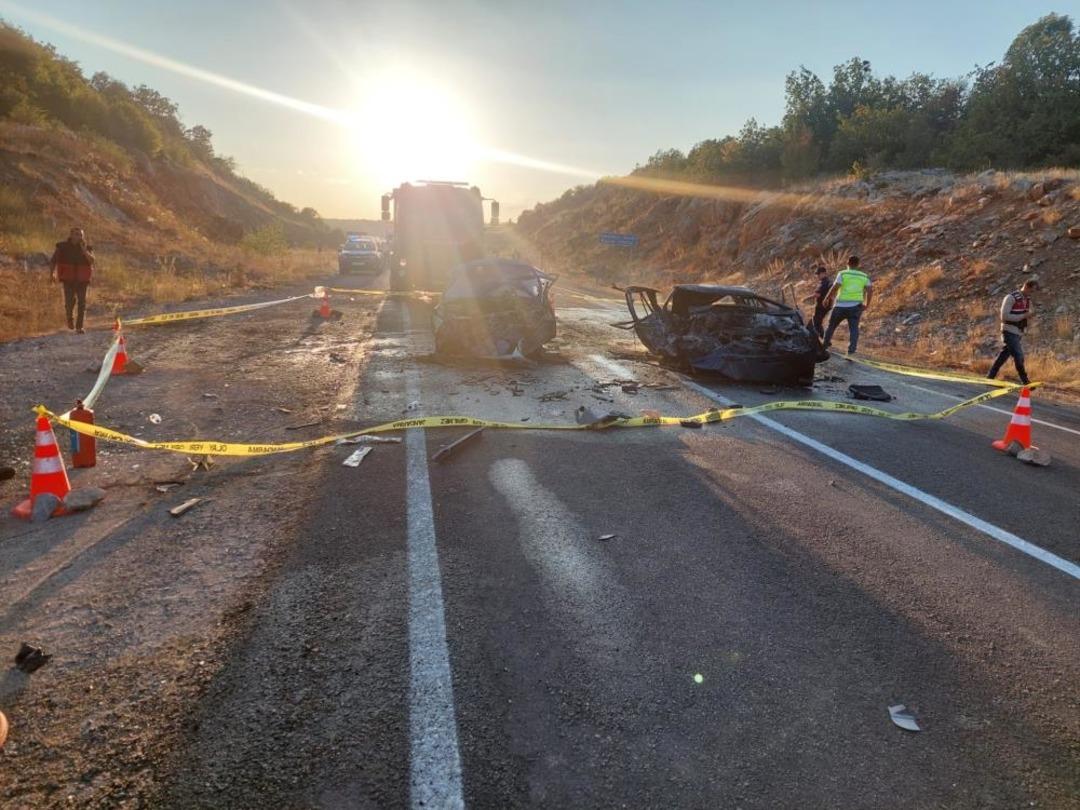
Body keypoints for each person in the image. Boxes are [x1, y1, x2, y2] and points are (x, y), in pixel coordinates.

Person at [987, 277, 1039, 385]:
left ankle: (990, 376)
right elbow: (1004, 316)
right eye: (1031, 291)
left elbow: (1024, 314)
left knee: (1004, 355)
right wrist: (1023, 315)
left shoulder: (1026, 300)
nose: (1032, 293)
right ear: (1026, 287)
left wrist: (1029, 316)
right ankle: (1025, 381)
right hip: (1009, 330)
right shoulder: (1011, 298)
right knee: (1018, 355)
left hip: (1018, 331)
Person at [822, 256, 872, 355]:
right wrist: (867, 304)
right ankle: (851, 351)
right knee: (854, 329)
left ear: (847, 263)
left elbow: (835, 287)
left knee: (831, 326)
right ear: (858, 264)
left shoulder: (843, 273)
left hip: (840, 305)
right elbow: (870, 290)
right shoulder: (864, 276)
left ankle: (824, 345)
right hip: (855, 306)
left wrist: (827, 298)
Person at [49, 227, 95, 333]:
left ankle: (79, 327)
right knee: (69, 302)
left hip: (83, 280)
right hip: (68, 279)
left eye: (80, 235)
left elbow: (92, 261)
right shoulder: (62, 247)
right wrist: (51, 274)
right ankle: (70, 319)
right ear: (71, 235)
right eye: (76, 234)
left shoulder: (87, 248)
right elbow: (53, 261)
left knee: (82, 303)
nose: (78, 237)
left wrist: (84, 251)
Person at [802, 265, 831, 337]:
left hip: (821, 306)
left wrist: (806, 298)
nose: (817, 276)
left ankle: (822, 339)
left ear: (824, 273)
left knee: (816, 322)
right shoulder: (828, 281)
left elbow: (817, 294)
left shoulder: (824, 282)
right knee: (818, 322)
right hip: (826, 305)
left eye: (819, 274)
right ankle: (823, 338)